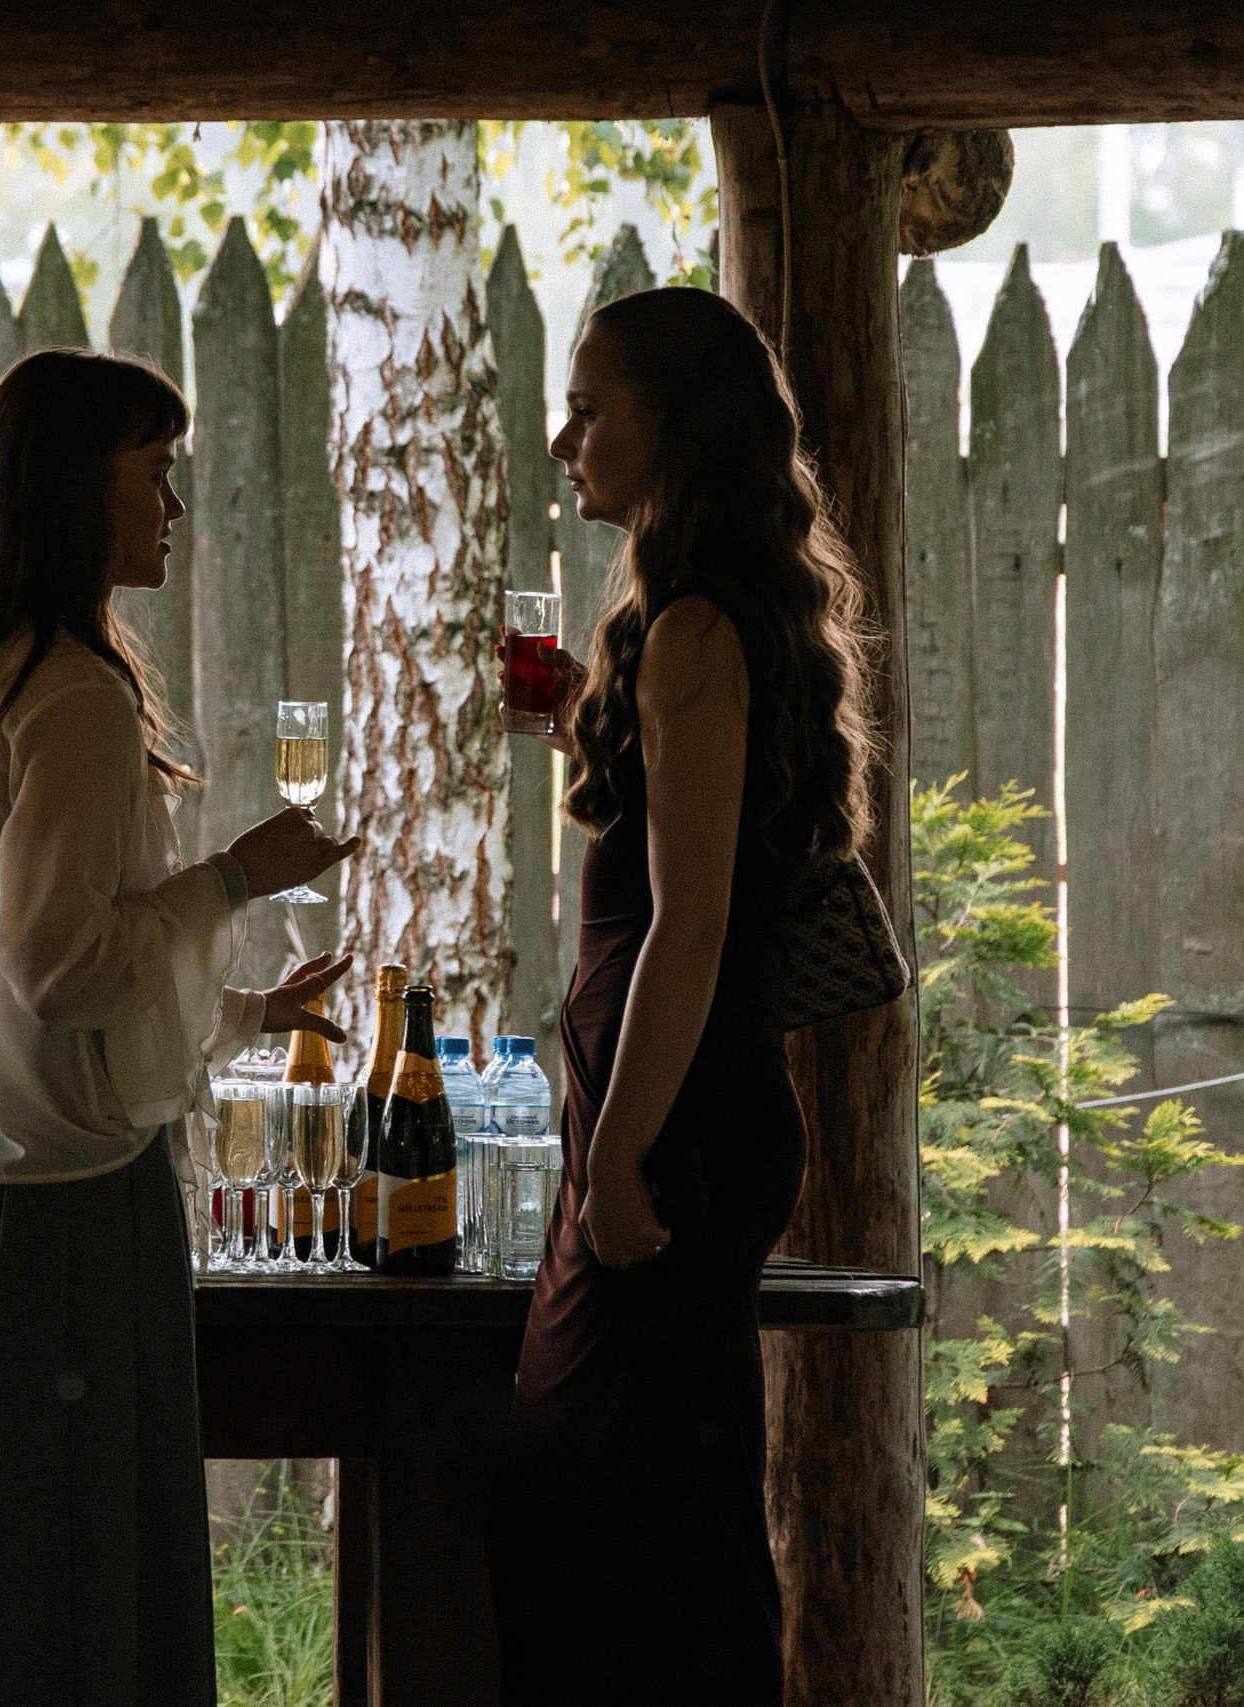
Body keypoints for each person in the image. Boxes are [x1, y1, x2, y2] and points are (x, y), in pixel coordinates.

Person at [0, 348, 359, 1706]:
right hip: (61, 1226)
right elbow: (59, 965)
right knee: (68, 1610)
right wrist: (240, 875)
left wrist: (239, 1012)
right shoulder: (74, 697)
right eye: (154, 472)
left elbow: (27, 999)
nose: (173, 507)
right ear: (76, 488)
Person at [493, 287, 878, 1704]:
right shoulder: (679, 618)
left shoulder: (698, 631)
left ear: (676, 426)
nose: (564, 437)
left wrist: (612, 1150)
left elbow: (693, 923)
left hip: (679, 1130)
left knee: (630, 1526)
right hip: (668, 1113)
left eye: (592, 408)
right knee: (621, 1511)